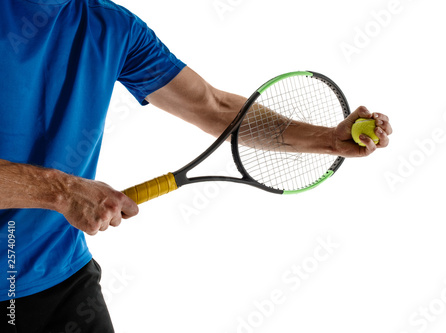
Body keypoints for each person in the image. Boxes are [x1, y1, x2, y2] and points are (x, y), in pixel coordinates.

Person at [0, 0, 393, 332]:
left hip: (59, 278)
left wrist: (326, 139)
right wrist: (62, 191)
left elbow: (213, 106)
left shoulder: (111, 25)